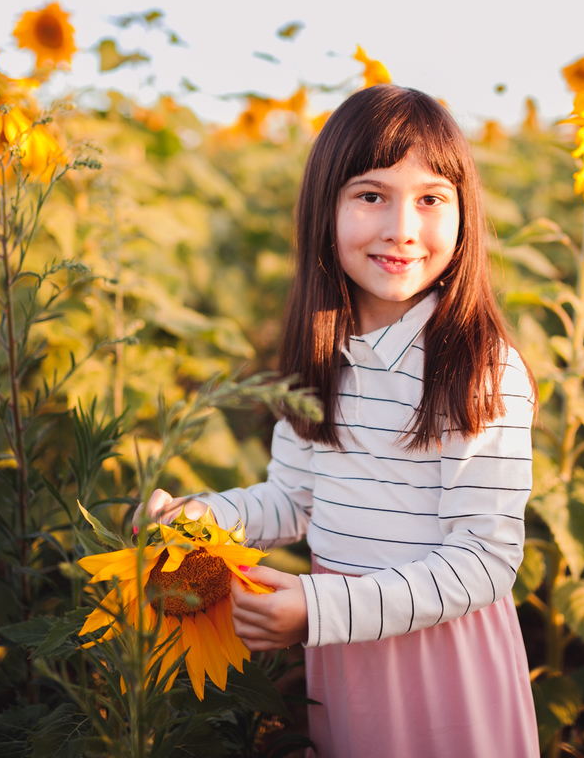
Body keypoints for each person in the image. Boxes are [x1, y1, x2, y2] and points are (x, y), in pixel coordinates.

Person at [152, 84, 540, 758]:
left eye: (430, 199)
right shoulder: (324, 354)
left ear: (465, 214)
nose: (401, 228)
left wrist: (319, 609)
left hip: (440, 661)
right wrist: (201, 519)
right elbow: (294, 500)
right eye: (371, 195)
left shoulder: (478, 368)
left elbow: (485, 559)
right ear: (323, 211)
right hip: (345, 657)